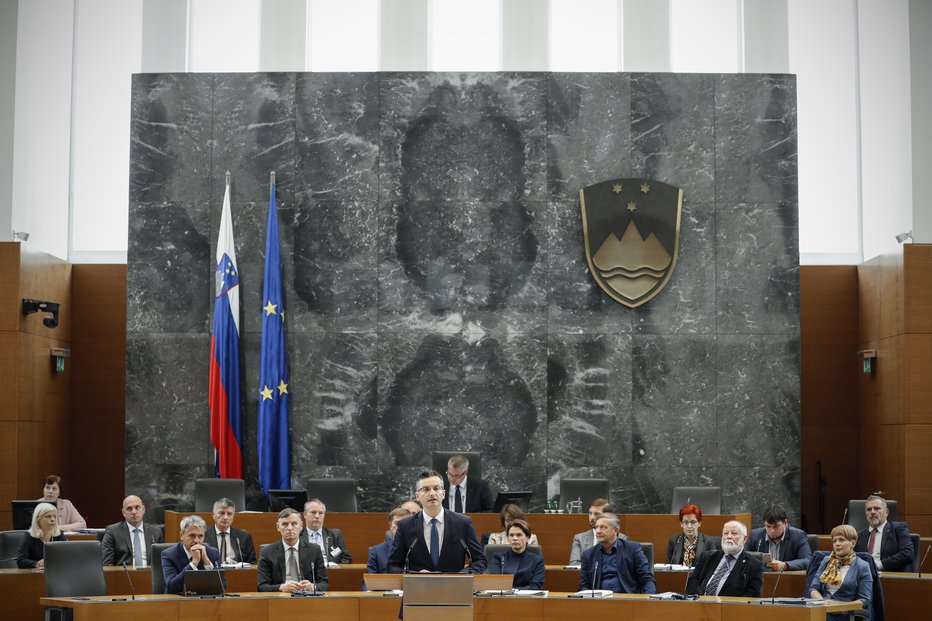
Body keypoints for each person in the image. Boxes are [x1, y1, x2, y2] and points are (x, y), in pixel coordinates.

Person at [388, 469, 486, 573]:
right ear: (417, 496)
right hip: (419, 587)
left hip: (454, 586)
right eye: (425, 489)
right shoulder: (405, 526)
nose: (432, 493)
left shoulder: (462, 523)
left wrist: (462, 576)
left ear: (443, 493)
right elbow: (392, 566)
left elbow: (479, 560)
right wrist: (414, 575)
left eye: (436, 488)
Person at [578, 512, 655, 594]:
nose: (598, 531)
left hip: (627, 600)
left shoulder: (632, 549)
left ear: (616, 530)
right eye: (596, 527)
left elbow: (646, 579)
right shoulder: (588, 555)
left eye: (603, 527)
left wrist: (648, 601)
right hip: (600, 601)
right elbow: (584, 585)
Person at [807, 525, 873, 620]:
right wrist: (823, 603)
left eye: (841, 540)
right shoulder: (826, 561)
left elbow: (864, 600)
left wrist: (841, 608)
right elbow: (813, 588)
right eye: (834, 541)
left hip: (845, 614)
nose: (837, 544)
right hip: (822, 610)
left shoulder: (862, 566)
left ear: (853, 543)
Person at [257, 508, 328, 593]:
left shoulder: (314, 550)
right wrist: (281, 587)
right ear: (278, 527)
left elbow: (324, 584)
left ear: (301, 526)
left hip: (307, 598)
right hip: (280, 599)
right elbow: (262, 587)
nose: (289, 528)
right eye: (285, 524)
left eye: (294, 524)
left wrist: (313, 587)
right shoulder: (267, 552)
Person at [686, 520, 763, 597]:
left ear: (744, 539)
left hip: (729, 607)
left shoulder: (754, 565)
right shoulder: (708, 557)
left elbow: (753, 596)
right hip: (700, 604)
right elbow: (692, 582)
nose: (729, 536)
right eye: (726, 533)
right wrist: (701, 599)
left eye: (734, 533)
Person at [161, 515, 223, 594]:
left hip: (205, 602)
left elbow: (222, 587)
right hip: (179, 603)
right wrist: (194, 563)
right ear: (181, 535)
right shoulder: (169, 555)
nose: (197, 541)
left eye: (200, 536)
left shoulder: (212, 553)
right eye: (192, 536)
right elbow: (172, 587)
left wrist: (207, 562)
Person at [853, 494, 914, 572]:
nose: (872, 512)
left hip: (891, 576)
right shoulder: (859, 535)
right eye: (869, 509)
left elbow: (907, 553)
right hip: (864, 577)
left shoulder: (899, 529)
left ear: (886, 512)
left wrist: (878, 565)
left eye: (877, 508)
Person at [100, 495, 163, 566]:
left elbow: (161, 562)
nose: (134, 512)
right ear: (123, 512)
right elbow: (107, 564)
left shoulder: (156, 532)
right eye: (129, 508)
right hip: (124, 575)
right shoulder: (113, 531)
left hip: (149, 575)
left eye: (137, 508)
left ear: (143, 510)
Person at [745, 505, 812, 571]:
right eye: (768, 526)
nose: (772, 531)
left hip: (787, 579)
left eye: (776, 526)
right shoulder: (755, 535)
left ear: (785, 523)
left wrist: (785, 565)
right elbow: (743, 558)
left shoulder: (798, 536)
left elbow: (807, 561)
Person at [486, 519, 545, 590]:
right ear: (508, 538)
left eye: (519, 535)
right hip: (503, 599)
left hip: (527, 598)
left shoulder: (537, 560)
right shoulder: (498, 558)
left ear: (528, 538)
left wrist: (514, 591)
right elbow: (496, 584)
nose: (514, 538)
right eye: (511, 535)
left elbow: (536, 586)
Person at [365, 507, 412, 586]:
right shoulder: (377, 551)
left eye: (405, 523)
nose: (401, 527)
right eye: (397, 524)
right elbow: (370, 581)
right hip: (386, 594)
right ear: (390, 526)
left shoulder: (421, 548)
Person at [203, 497, 256, 564]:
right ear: (213, 515)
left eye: (229, 514)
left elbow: (252, 564)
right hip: (212, 573)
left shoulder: (244, 537)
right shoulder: (204, 535)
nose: (225, 517)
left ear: (233, 516)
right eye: (221, 513)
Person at [299, 498, 352, 564]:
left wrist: (338, 569)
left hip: (331, 572)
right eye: (313, 512)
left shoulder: (335, 534)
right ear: (304, 515)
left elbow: (346, 559)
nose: (317, 516)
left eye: (320, 513)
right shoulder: (298, 536)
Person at [569, 498, 620, 565]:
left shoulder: (621, 538)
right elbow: (574, 564)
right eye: (590, 513)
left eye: (596, 514)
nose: (592, 517)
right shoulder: (579, 538)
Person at [16, 503, 66, 569]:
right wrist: (36, 564)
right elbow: (21, 560)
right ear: (38, 519)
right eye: (48, 516)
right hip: (35, 575)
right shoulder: (29, 536)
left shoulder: (59, 535)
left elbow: (66, 557)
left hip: (56, 572)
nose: (53, 519)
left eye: (54, 516)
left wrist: (51, 562)